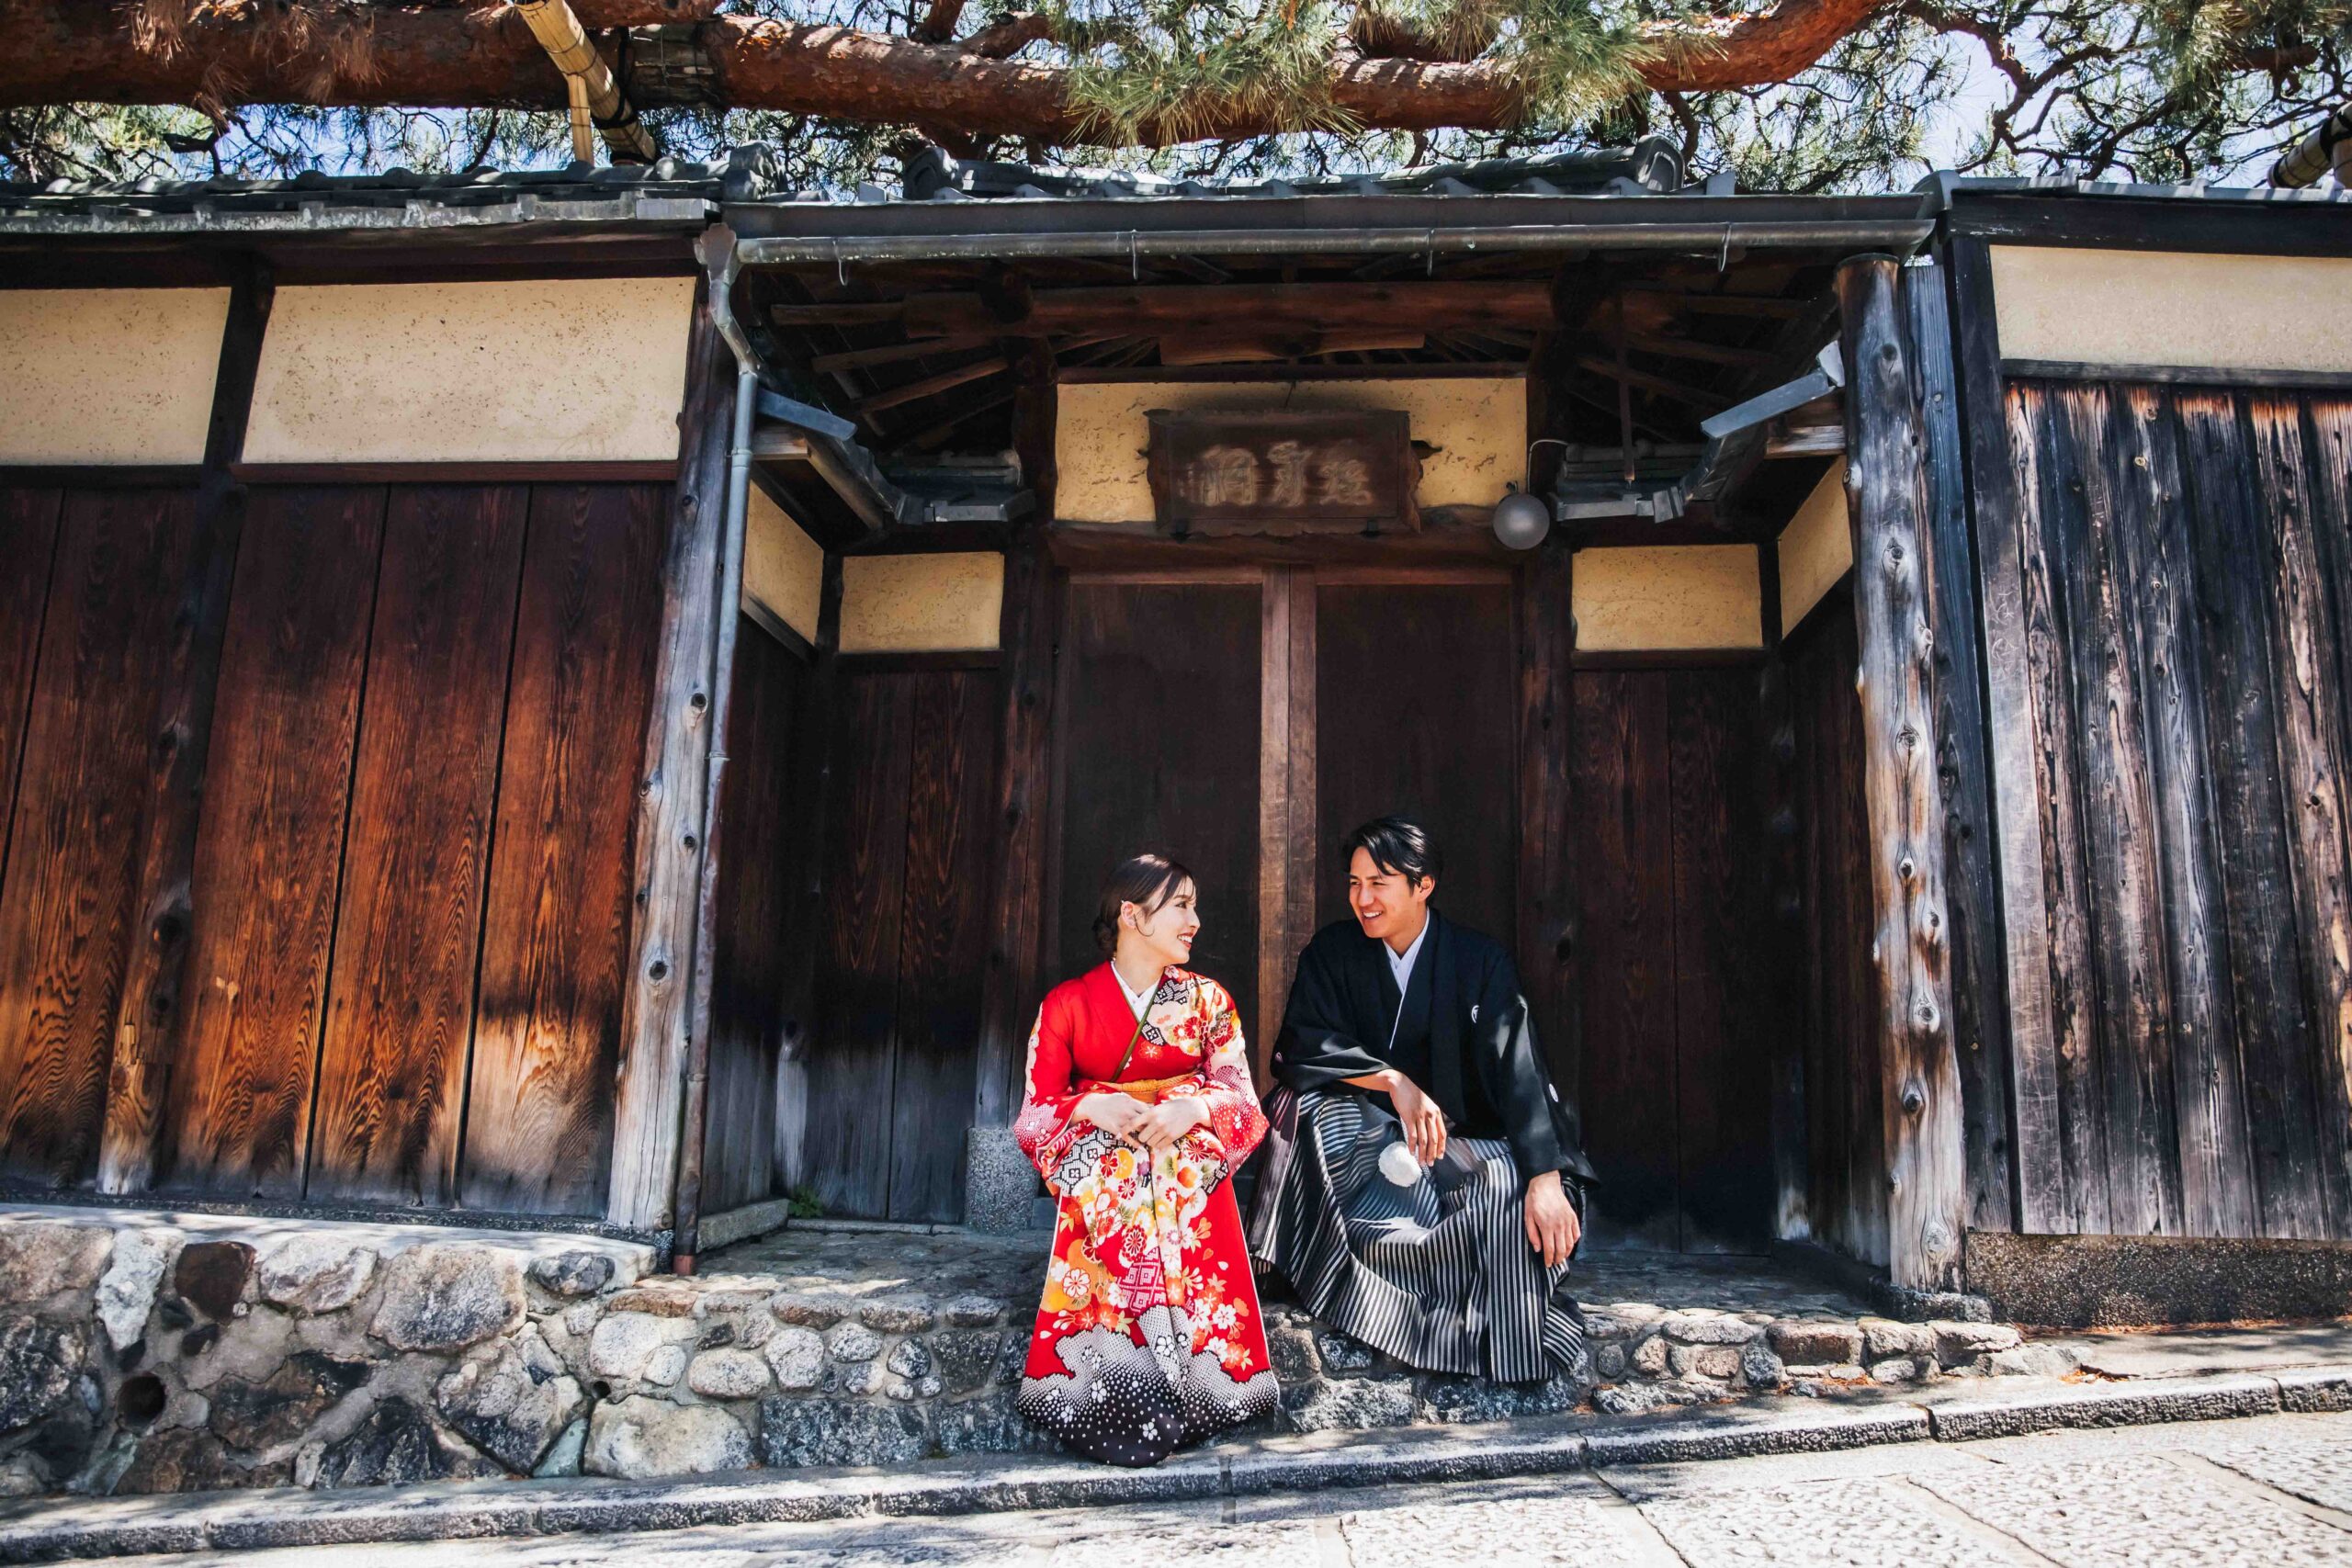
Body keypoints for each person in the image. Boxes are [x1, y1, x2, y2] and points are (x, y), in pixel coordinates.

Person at [1248, 816, 1597, 1385]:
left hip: (1461, 1144)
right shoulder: (1333, 953)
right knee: (1300, 1106)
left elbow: (1521, 1069)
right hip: (1368, 1148)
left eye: (1379, 883)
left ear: (1423, 885)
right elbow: (1300, 1048)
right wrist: (1392, 1082)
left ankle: (1482, 1324)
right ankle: (1347, 1275)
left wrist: (1546, 1177)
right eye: (1355, 883)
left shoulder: (1479, 962)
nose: (1363, 898)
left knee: (1511, 1189)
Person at [1011, 852, 1278, 1465]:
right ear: (1131, 914)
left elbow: (1241, 1096)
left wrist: (1194, 1109)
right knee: (1117, 1168)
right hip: (1106, 1152)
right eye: (1181, 905)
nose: (1196, 920)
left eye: (1193, 904)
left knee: (1178, 1166)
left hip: (1183, 1147)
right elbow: (1034, 1114)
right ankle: (1100, 1384)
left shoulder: (1209, 1001)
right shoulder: (1066, 1004)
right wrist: (1087, 1108)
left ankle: (1207, 1384)